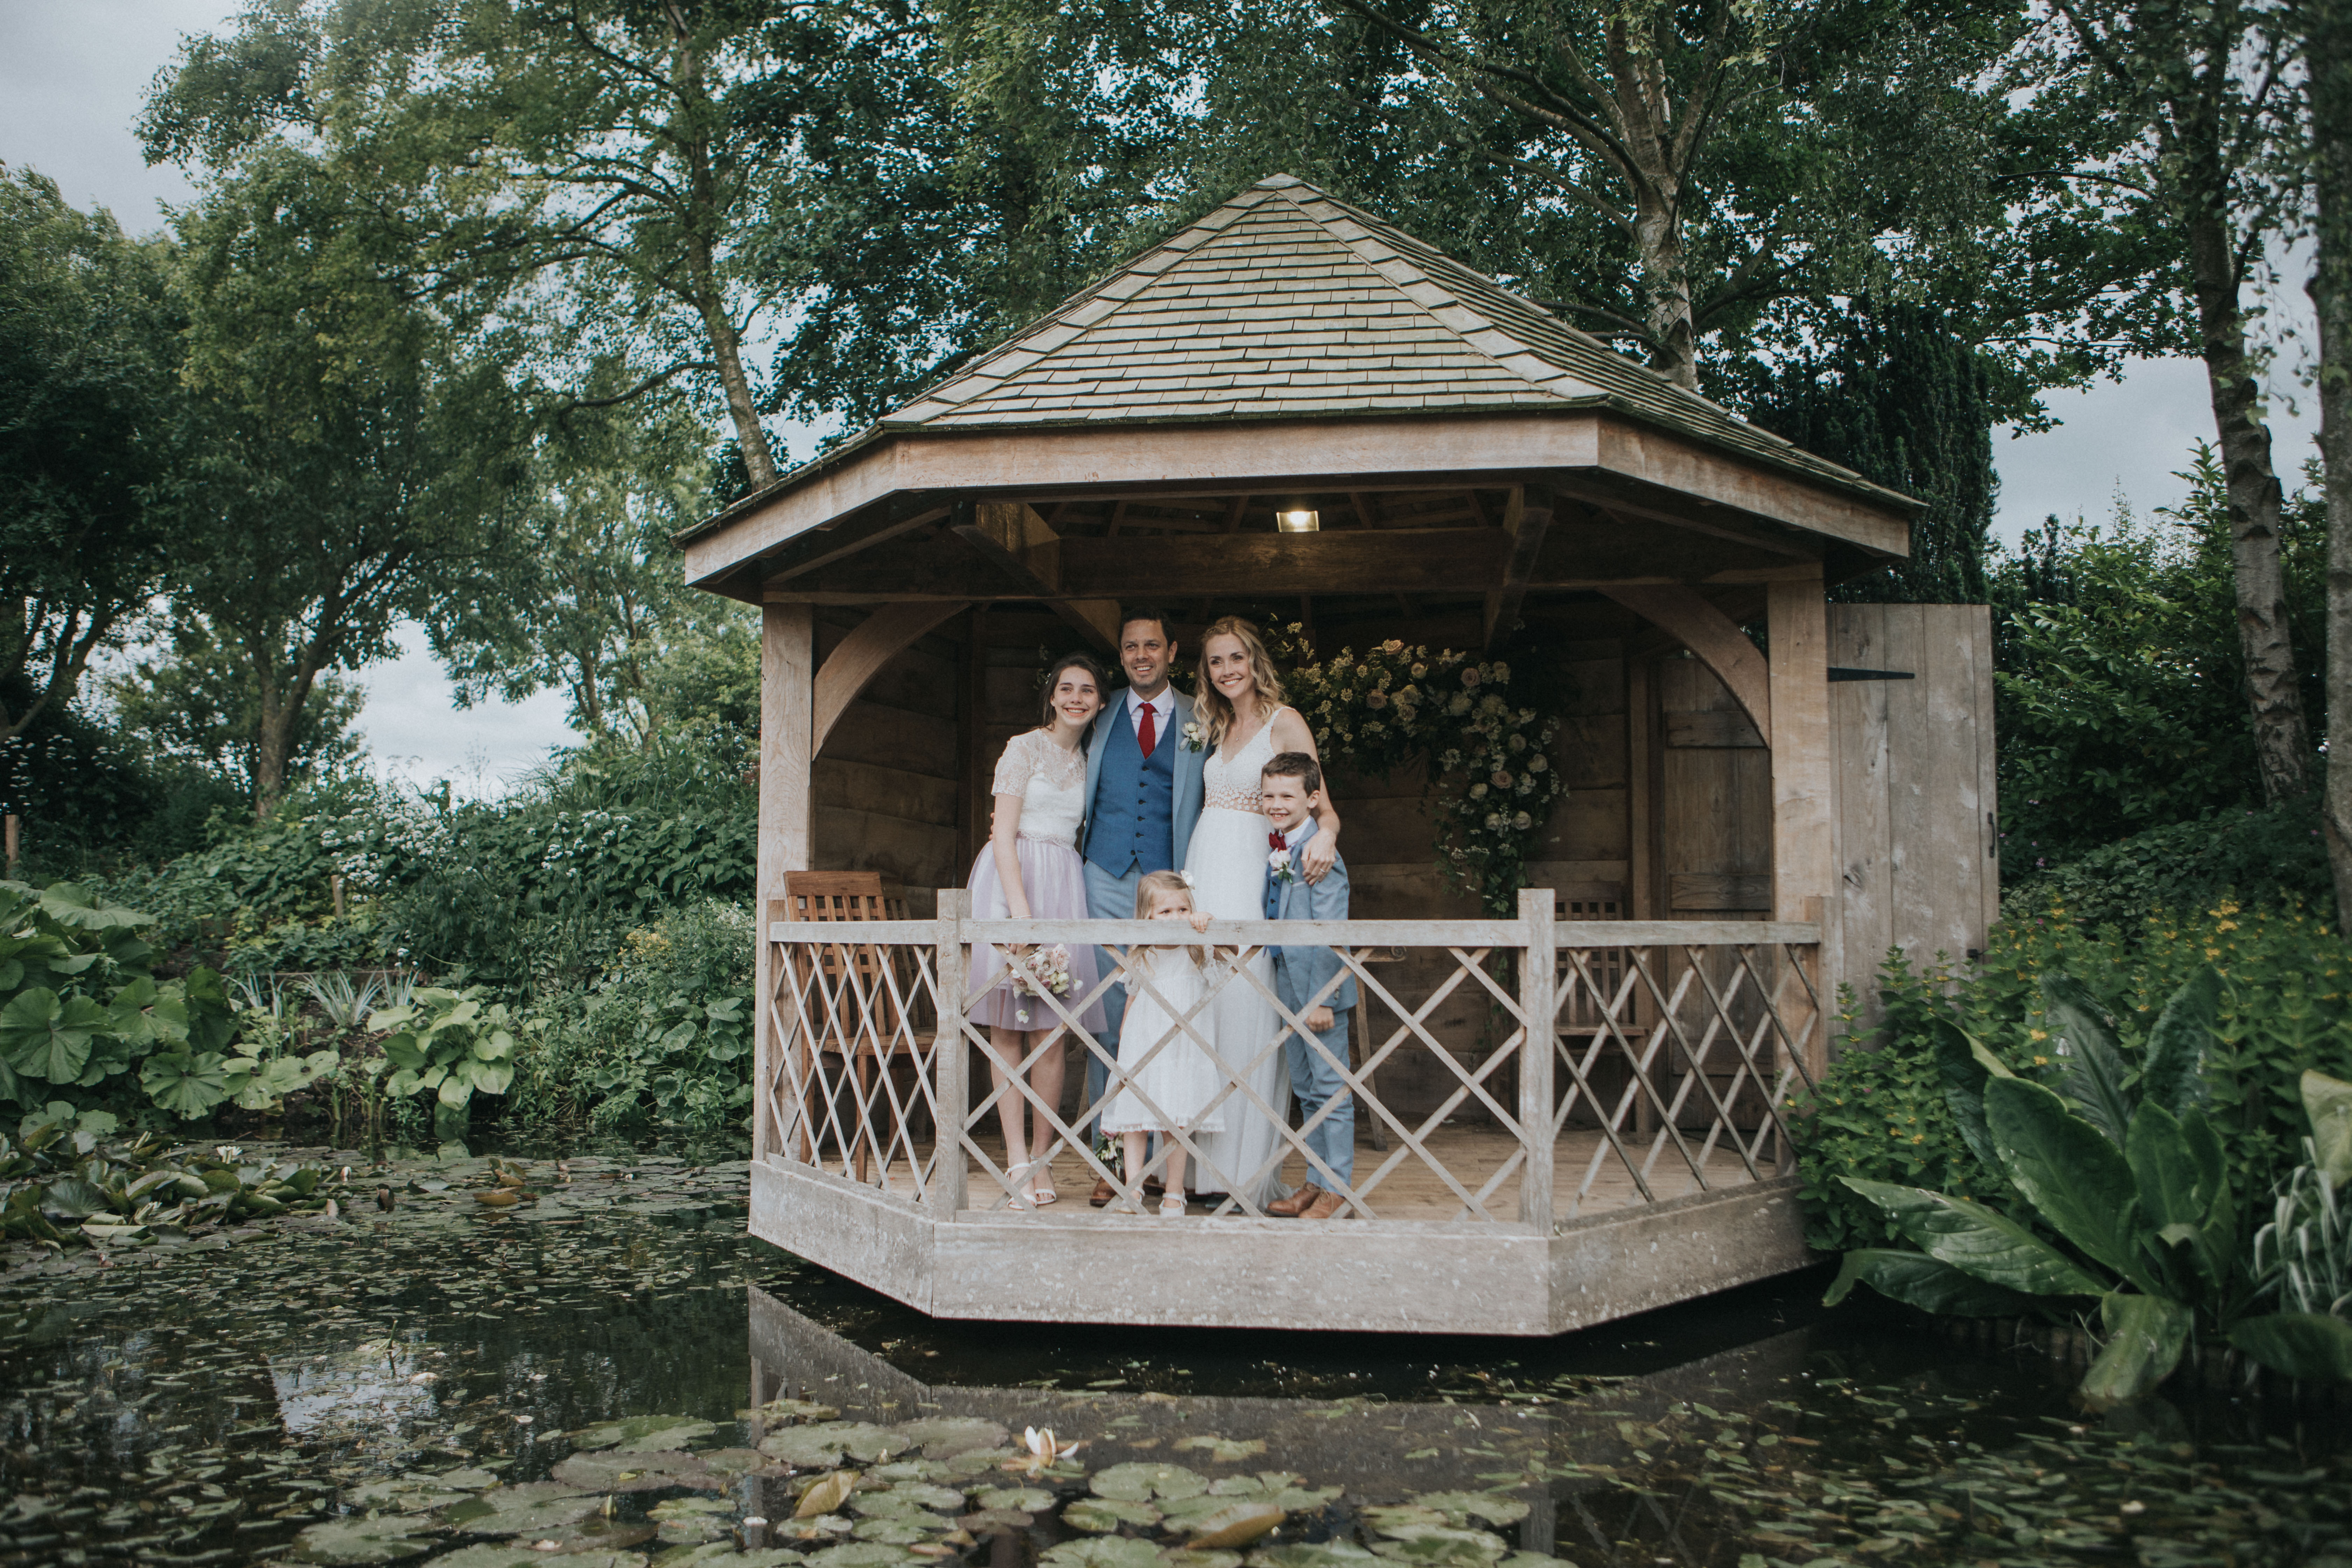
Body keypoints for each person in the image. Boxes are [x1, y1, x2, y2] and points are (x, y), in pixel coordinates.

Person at [1180, 616, 1343, 1212]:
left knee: (1249, 1008)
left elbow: (1321, 806)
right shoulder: (1214, 726)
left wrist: (1326, 835)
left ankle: (1244, 1174)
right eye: (1216, 662)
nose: (1227, 670)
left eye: (1236, 658)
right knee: (1206, 1011)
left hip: (1255, 874)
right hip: (1206, 868)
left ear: (1255, 661)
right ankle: (1197, 1174)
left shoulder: (1284, 721)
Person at [965, 652, 1110, 1206]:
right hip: (1012, 883)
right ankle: (1017, 1158)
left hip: (1065, 886)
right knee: (1007, 1030)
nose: (1076, 698)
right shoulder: (1022, 748)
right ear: (1051, 696)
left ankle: (1045, 1159)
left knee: (1052, 1032)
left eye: (1088, 691)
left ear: (1099, 703)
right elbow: (1003, 834)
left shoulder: (1089, 759)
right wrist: (1019, 913)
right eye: (1066, 689)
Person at [1078, 611, 1206, 1207]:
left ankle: (1165, 1165)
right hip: (1103, 875)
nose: (1141, 654)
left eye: (1151, 644)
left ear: (1172, 650)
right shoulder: (1099, 715)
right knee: (1109, 1016)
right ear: (1122, 655)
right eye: (1131, 646)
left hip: (1165, 888)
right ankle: (1110, 1164)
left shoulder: (1198, 715)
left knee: (1168, 1018)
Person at [1258, 752, 1358, 1220]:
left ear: (1313, 799)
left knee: (1331, 1088)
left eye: (1287, 796)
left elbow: (1331, 933)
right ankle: (1316, 1182)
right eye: (1269, 795)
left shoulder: (1321, 854)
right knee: (1307, 1090)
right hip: (1286, 985)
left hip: (1319, 993)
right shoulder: (1277, 847)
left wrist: (1324, 999)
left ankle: (1338, 1189)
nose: (1276, 804)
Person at [1094, 869, 1224, 1216]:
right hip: (1144, 1045)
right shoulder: (1142, 952)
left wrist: (1208, 923)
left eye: (1183, 909)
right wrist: (1125, 1045)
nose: (1175, 918)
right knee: (1135, 1118)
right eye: (1165, 912)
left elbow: (1234, 950)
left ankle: (1174, 1191)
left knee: (1176, 1120)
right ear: (1147, 916)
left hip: (1182, 1049)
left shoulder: (1196, 949)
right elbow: (1133, 1000)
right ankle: (1132, 1189)